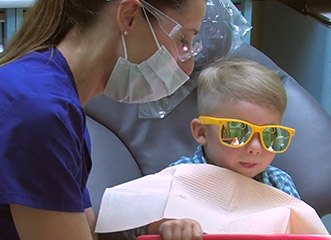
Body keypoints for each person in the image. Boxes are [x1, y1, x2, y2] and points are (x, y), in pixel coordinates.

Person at [0, 0, 206, 239]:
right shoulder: (41, 112)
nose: (188, 65)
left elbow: (84, 227)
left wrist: (150, 228)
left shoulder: (55, 97)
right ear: (129, 15)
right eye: (183, 40)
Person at [138, 58, 300, 240]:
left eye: (271, 135)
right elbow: (141, 225)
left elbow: (303, 228)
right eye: (237, 131)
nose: (255, 148)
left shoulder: (279, 183)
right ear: (202, 132)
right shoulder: (180, 177)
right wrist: (167, 225)